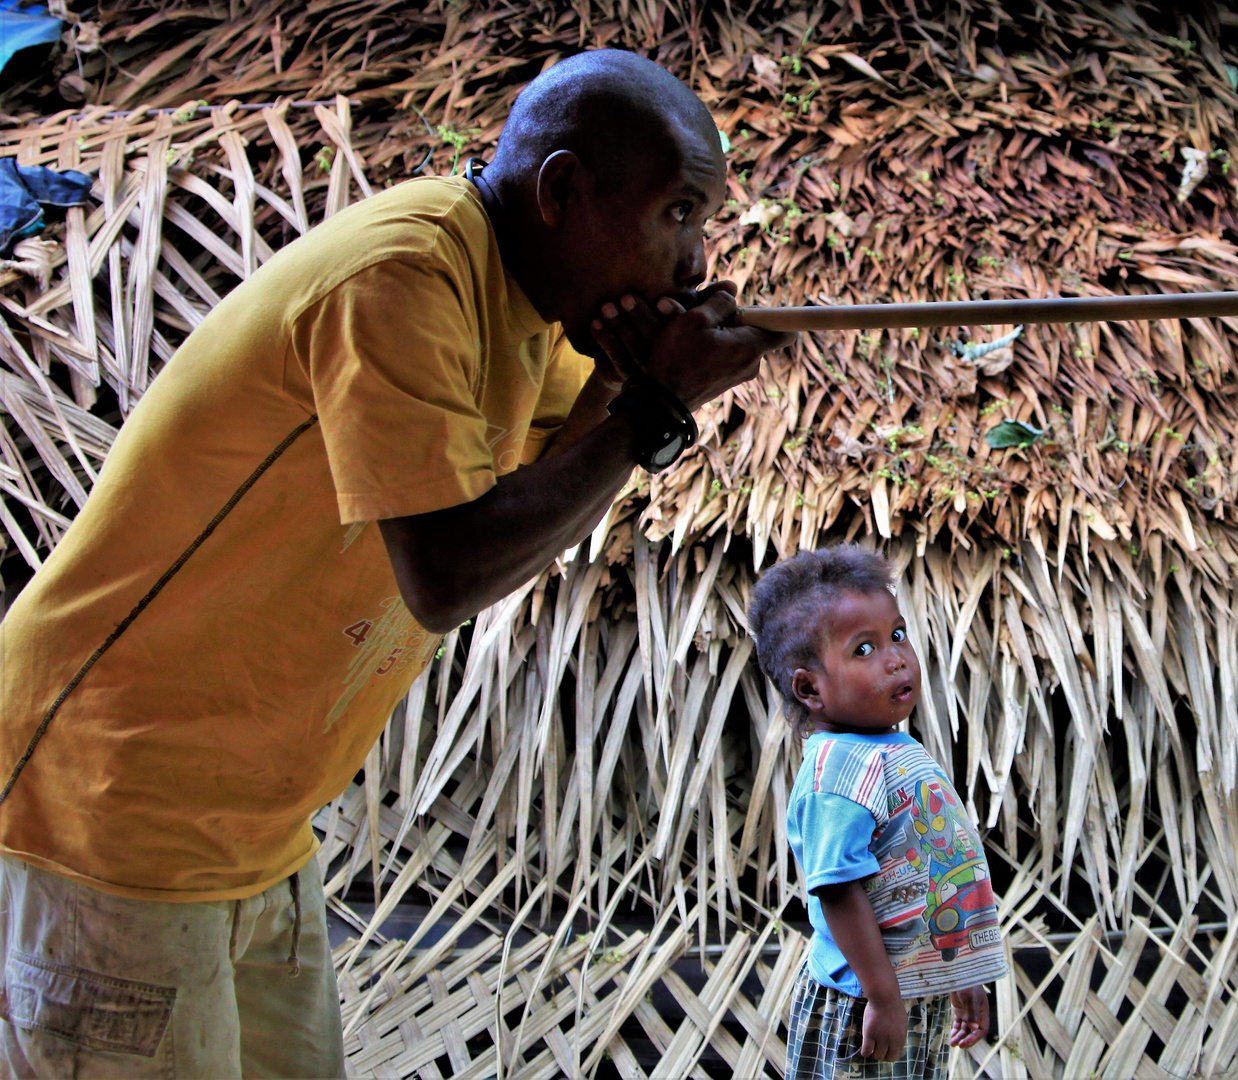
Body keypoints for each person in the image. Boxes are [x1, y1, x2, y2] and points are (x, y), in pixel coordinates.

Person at [0, 50, 787, 1077]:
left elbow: (544, 497)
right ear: (561, 193)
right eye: (679, 213)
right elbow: (448, 573)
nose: (694, 262)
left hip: (251, 829)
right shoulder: (404, 279)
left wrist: (625, 385)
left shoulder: (527, 309)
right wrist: (655, 407)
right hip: (110, 809)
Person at [749, 546, 1006, 1079]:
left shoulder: (891, 749)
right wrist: (882, 998)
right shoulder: (838, 772)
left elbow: (929, 871)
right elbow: (838, 888)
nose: (895, 657)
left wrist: (957, 970)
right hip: (863, 1002)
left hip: (907, 990)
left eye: (896, 634)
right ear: (809, 688)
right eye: (863, 648)